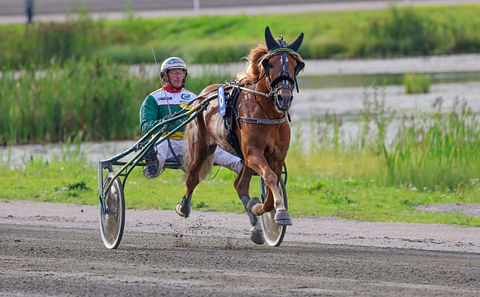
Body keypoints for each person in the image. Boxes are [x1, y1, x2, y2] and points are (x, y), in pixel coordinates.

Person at [139, 57, 242, 178]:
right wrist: (162, 122)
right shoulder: (153, 98)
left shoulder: (193, 97)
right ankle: (153, 167)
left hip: (190, 143)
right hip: (165, 141)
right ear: (165, 76)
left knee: (218, 149)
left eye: (181, 73)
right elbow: (145, 125)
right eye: (174, 73)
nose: (178, 77)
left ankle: (244, 168)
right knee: (161, 145)